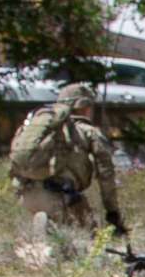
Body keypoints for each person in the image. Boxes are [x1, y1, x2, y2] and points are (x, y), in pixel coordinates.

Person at [8, 82, 125, 233]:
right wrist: (112, 212)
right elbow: (106, 174)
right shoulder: (88, 131)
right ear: (85, 107)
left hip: (26, 193)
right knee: (89, 236)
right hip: (60, 195)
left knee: (52, 235)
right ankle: (51, 230)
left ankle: (44, 230)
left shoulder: (36, 127)